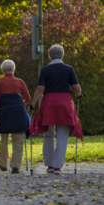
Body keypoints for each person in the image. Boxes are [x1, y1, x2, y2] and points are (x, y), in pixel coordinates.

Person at [29, 44, 83, 175]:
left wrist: (32, 104)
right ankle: (58, 166)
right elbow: (76, 87)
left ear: (49, 56)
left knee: (48, 133)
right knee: (62, 134)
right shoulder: (68, 69)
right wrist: (79, 95)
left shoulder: (45, 70)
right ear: (62, 55)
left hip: (49, 102)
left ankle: (50, 165)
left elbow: (40, 89)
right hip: (65, 102)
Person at [0, 59, 31, 174]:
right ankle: (15, 166)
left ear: (3, 70)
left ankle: (2, 164)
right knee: (18, 139)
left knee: (4, 138)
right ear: (14, 69)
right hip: (19, 112)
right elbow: (28, 99)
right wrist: (19, 104)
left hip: (4, 112)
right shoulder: (20, 81)